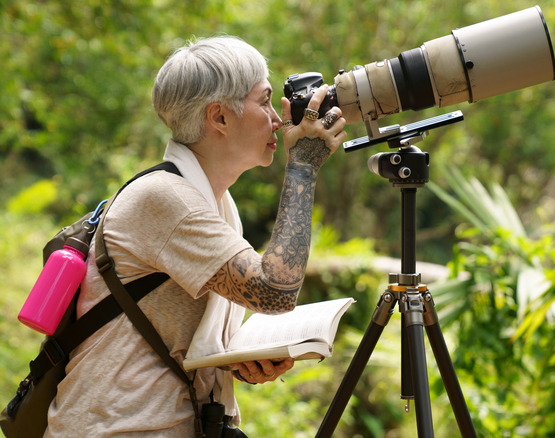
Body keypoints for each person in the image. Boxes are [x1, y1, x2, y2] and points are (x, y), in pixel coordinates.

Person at [44, 36, 346, 436]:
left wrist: (239, 360)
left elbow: (181, 334)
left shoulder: (217, 204)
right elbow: (275, 291)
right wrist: (303, 166)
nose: (278, 118)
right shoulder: (166, 199)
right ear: (219, 117)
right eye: (266, 101)